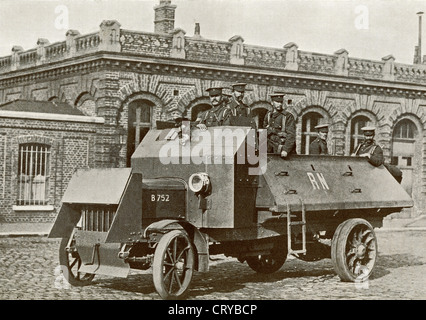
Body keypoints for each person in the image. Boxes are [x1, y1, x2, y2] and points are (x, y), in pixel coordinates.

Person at [263, 93, 296, 158]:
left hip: (283, 149)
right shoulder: (268, 115)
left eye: (281, 102)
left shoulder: (287, 116)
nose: (280, 104)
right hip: (270, 149)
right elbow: (264, 132)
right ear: (272, 102)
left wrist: (286, 150)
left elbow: (291, 135)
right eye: (277, 102)